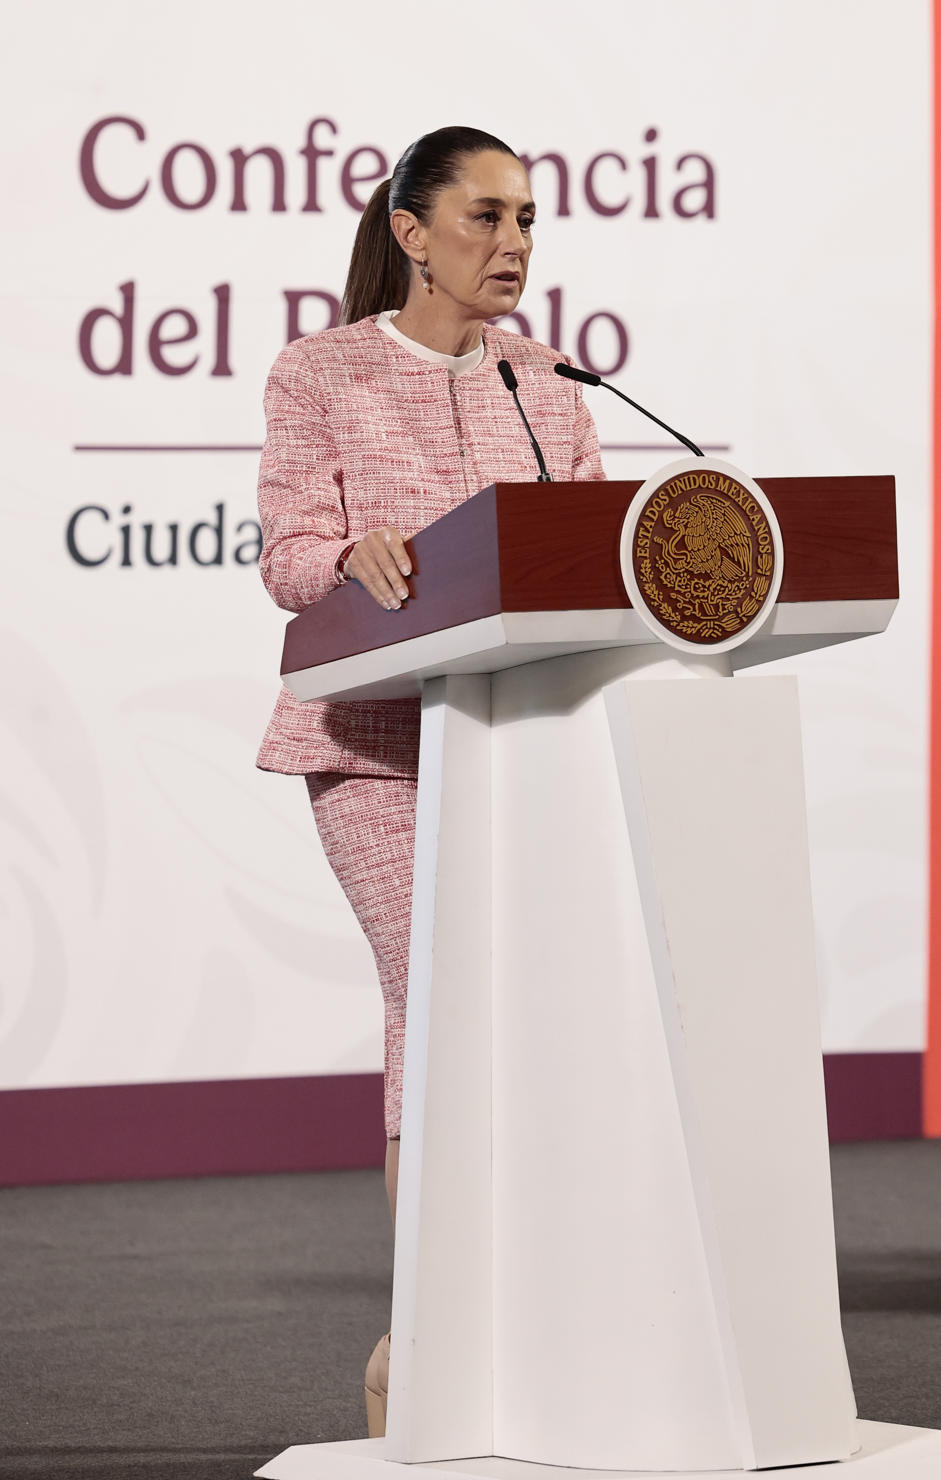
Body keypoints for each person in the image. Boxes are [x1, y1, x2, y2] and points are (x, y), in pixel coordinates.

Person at [254, 125, 604, 1433]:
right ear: (412, 232)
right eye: (486, 217)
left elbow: (591, 557)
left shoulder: (546, 382)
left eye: (527, 219)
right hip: (376, 745)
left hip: (527, 744)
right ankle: (448, 1322)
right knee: (441, 1001)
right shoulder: (325, 372)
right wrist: (355, 553)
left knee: (521, 1019)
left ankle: (447, 1333)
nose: (514, 242)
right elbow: (288, 552)